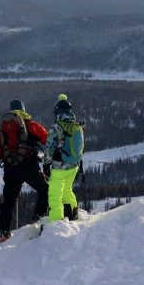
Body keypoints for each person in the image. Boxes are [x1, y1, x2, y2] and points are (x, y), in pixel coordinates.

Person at [0, 99, 49, 242]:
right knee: (45, 189)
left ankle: (4, 231)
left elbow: (0, 149)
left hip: (10, 168)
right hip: (29, 166)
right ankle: (39, 219)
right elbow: (47, 139)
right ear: (23, 110)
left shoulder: (3, 127)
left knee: (9, 200)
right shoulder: (31, 125)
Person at [43, 94, 84, 222]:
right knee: (67, 190)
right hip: (74, 166)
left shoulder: (56, 128)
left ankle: (56, 222)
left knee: (55, 196)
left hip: (59, 167)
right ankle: (73, 214)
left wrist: (46, 165)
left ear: (57, 111)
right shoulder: (76, 126)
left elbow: (49, 148)